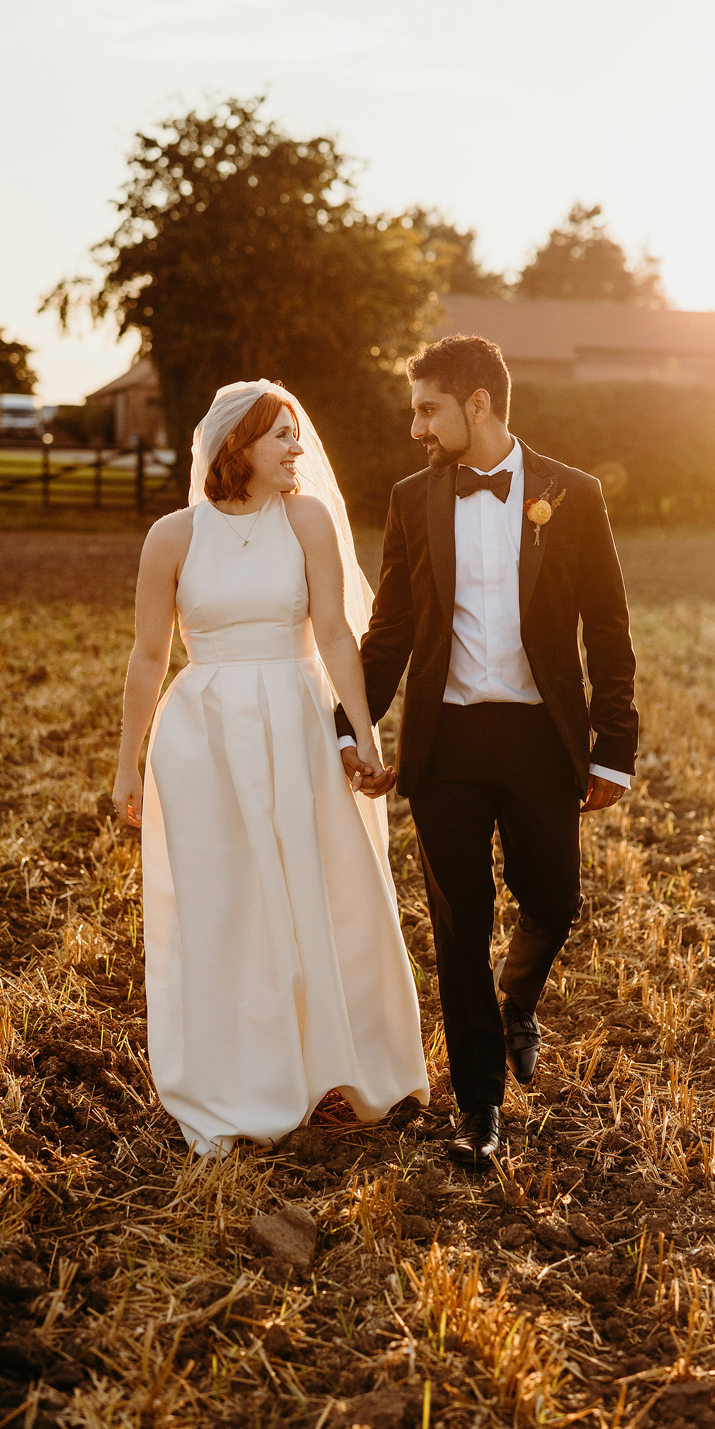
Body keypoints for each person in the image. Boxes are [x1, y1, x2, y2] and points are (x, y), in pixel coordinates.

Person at [336, 335, 638, 1166]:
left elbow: (609, 633)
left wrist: (614, 751)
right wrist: (349, 725)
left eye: (428, 409)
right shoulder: (409, 500)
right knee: (459, 928)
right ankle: (479, 1114)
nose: (416, 428)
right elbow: (389, 629)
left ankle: (518, 1003)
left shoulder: (571, 494)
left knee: (556, 901)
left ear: (478, 404)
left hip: (545, 740)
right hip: (449, 746)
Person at [113, 380, 429, 1158]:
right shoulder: (173, 537)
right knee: (226, 905)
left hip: (295, 726)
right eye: (281, 435)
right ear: (236, 447)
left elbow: (334, 633)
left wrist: (364, 732)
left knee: (327, 890)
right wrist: (126, 767)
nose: (298, 448)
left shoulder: (308, 519)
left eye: (297, 432)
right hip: (202, 739)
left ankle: (344, 1065)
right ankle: (239, 1081)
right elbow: (149, 654)